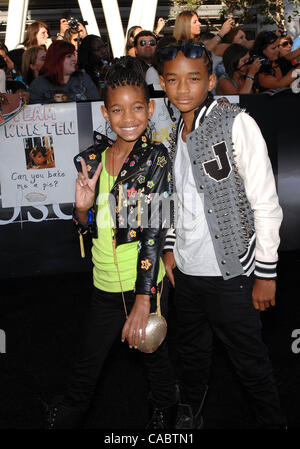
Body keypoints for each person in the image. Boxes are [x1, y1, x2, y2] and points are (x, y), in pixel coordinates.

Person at [44, 56, 177, 429]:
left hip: (142, 285)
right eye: (117, 109)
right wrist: (82, 212)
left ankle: (167, 414)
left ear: (150, 109)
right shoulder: (92, 161)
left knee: (155, 357)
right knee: (87, 368)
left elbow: (153, 231)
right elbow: (87, 231)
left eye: (137, 107)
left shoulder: (155, 159)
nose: (128, 117)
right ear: (105, 112)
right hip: (103, 286)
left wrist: (143, 299)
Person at [157, 39, 285, 429]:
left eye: (193, 79)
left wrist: (265, 273)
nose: (182, 89)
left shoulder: (237, 123)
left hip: (233, 274)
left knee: (249, 360)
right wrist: (168, 249)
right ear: (162, 84)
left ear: (211, 80)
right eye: (173, 80)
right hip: (188, 273)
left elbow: (265, 203)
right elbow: (173, 198)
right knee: (192, 354)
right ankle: (191, 412)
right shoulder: (171, 133)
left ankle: (273, 422)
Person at [29, 40, 99, 104]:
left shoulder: (83, 79)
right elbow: (34, 113)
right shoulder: (39, 84)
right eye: (69, 56)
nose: (74, 59)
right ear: (57, 59)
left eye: (74, 55)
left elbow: (96, 106)